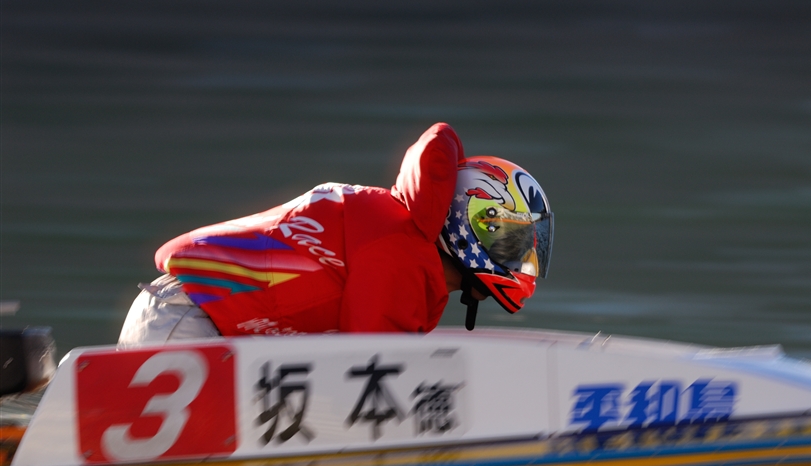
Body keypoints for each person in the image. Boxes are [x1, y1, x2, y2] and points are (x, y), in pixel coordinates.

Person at [117, 123, 553, 346]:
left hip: (183, 317)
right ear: (465, 226)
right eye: (510, 240)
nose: (519, 256)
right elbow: (370, 368)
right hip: (188, 322)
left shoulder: (398, 227)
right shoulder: (401, 253)